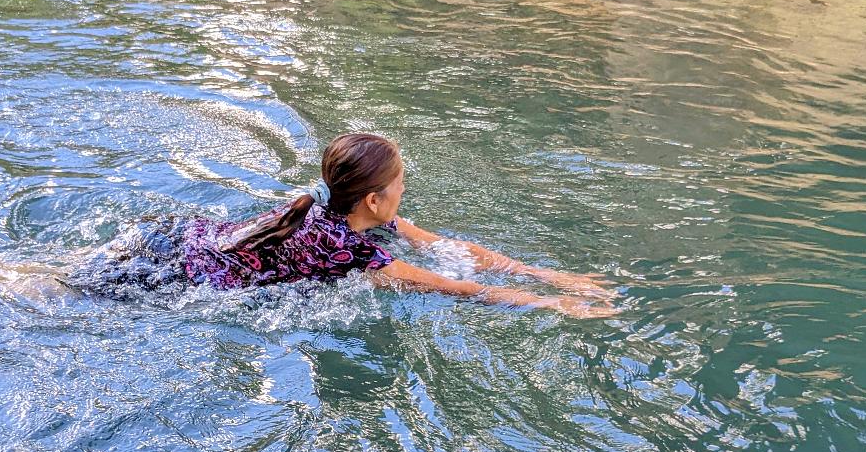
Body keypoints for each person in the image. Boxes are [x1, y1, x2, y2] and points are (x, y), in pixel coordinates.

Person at [68, 133, 617, 318]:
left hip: (172, 235)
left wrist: (546, 274)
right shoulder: (346, 249)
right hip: (177, 279)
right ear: (374, 200)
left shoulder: (324, 202)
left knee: (46, 272)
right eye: (401, 182)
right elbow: (457, 287)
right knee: (44, 288)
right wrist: (549, 304)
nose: (406, 190)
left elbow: (447, 248)